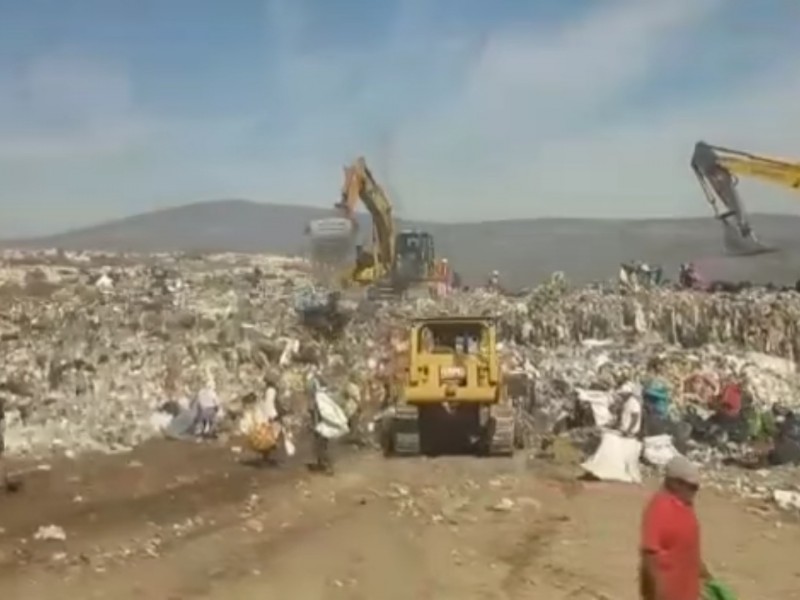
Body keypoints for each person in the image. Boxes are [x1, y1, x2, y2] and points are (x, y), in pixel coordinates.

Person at [640, 456, 711, 600]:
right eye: (691, 487)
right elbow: (649, 556)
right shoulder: (659, 509)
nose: (694, 493)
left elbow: (688, 548)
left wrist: (706, 576)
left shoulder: (685, 507)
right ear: (674, 483)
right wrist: (657, 594)